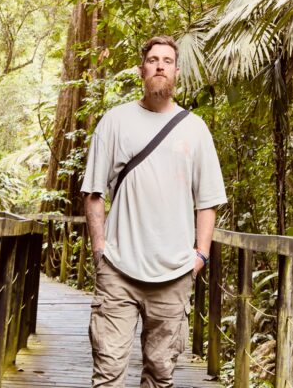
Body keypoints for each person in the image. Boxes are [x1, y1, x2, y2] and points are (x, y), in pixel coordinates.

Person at [81, 35, 226, 388]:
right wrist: (100, 250)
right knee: (108, 372)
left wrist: (200, 257)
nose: (159, 65)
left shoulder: (195, 129)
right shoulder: (114, 122)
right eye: (153, 60)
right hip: (118, 269)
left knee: (161, 373)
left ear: (176, 71)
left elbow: (207, 200)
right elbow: (93, 192)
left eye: (167, 60)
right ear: (141, 69)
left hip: (173, 273)